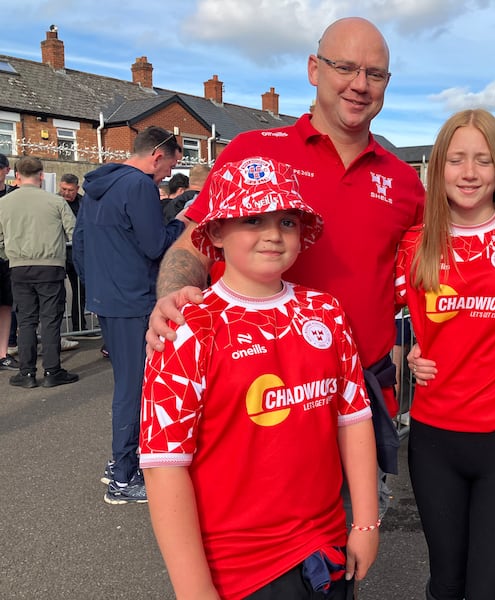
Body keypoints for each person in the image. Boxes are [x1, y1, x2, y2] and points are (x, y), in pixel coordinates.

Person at [146, 17, 425, 494]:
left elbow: (427, 276)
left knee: (348, 543)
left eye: (374, 74)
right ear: (314, 69)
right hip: (255, 392)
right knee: (251, 541)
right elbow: (194, 240)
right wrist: (172, 296)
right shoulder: (254, 151)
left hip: (354, 396)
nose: (359, 85)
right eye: (345, 67)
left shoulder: (403, 182)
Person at [140, 155, 378, 599]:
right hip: (239, 570)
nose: (272, 234)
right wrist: (194, 590)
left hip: (325, 549)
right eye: (252, 218)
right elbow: (164, 467)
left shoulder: (326, 311)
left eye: (287, 221)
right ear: (215, 231)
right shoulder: (187, 326)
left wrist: (364, 522)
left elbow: (354, 418)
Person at [399, 109, 495, 600]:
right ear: (437, 167)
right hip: (435, 438)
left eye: (483, 161)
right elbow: (379, 317)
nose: (469, 173)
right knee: (446, 583)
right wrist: (410, 352)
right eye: (457, 160)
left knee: (490, 588)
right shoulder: (414, 244)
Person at [73, 126, 185, 504]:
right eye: (172, 162)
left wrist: (98, 288)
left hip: (109, 298)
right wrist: (182, 223)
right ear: (157, 154)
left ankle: (118, 465)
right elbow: (155, 244)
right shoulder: (139, 186)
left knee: (127, 382)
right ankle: (124, 475)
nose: (170, 172)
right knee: (134, 387)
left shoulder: (97, 186)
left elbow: (81, 245)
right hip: (134, 299)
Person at [0, 157, 78, 388]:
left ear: (17, 176)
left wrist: (9, 252)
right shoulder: (55, 201)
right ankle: (53, 371)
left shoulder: (4, 203)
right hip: (50, 266)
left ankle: (27, 373)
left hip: (19, 266)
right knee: (51, 320)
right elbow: (73, 231)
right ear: (42, 175)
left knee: (25, 321)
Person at [59, 173, 87, 335]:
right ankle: (59, 330)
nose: (66, 193)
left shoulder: (84, 203)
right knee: (58, 294)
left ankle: (79, 325)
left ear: (77, 189)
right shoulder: (55, 202)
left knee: (79, 292)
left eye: (70, 190)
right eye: (63, 189)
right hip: (60, 253)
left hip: (77, 254)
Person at [0, 153, 19, 370]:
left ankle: (3, 353)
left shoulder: (13, 194)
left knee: (6, 306)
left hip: (8, 257)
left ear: (6, 170)